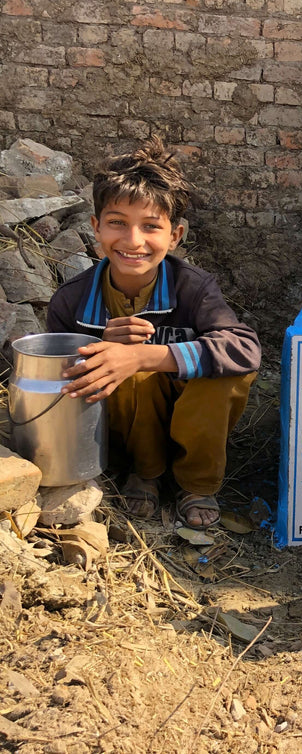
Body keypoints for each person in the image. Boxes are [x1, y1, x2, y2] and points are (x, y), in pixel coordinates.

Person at [47, 137, 261, 529]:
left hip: (194, 427)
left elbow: (245, 348)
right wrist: (99, 351)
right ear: (96, 227)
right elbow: (56, 384)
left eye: (151, 226)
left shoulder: (192, 287)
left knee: (223, 374)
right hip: (123, 436)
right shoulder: (72, 301)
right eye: (117, 223)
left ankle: (196, 483)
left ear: (174, 236)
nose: (133, 241)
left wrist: (145, 356)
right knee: (115, 366)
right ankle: (144, 473)